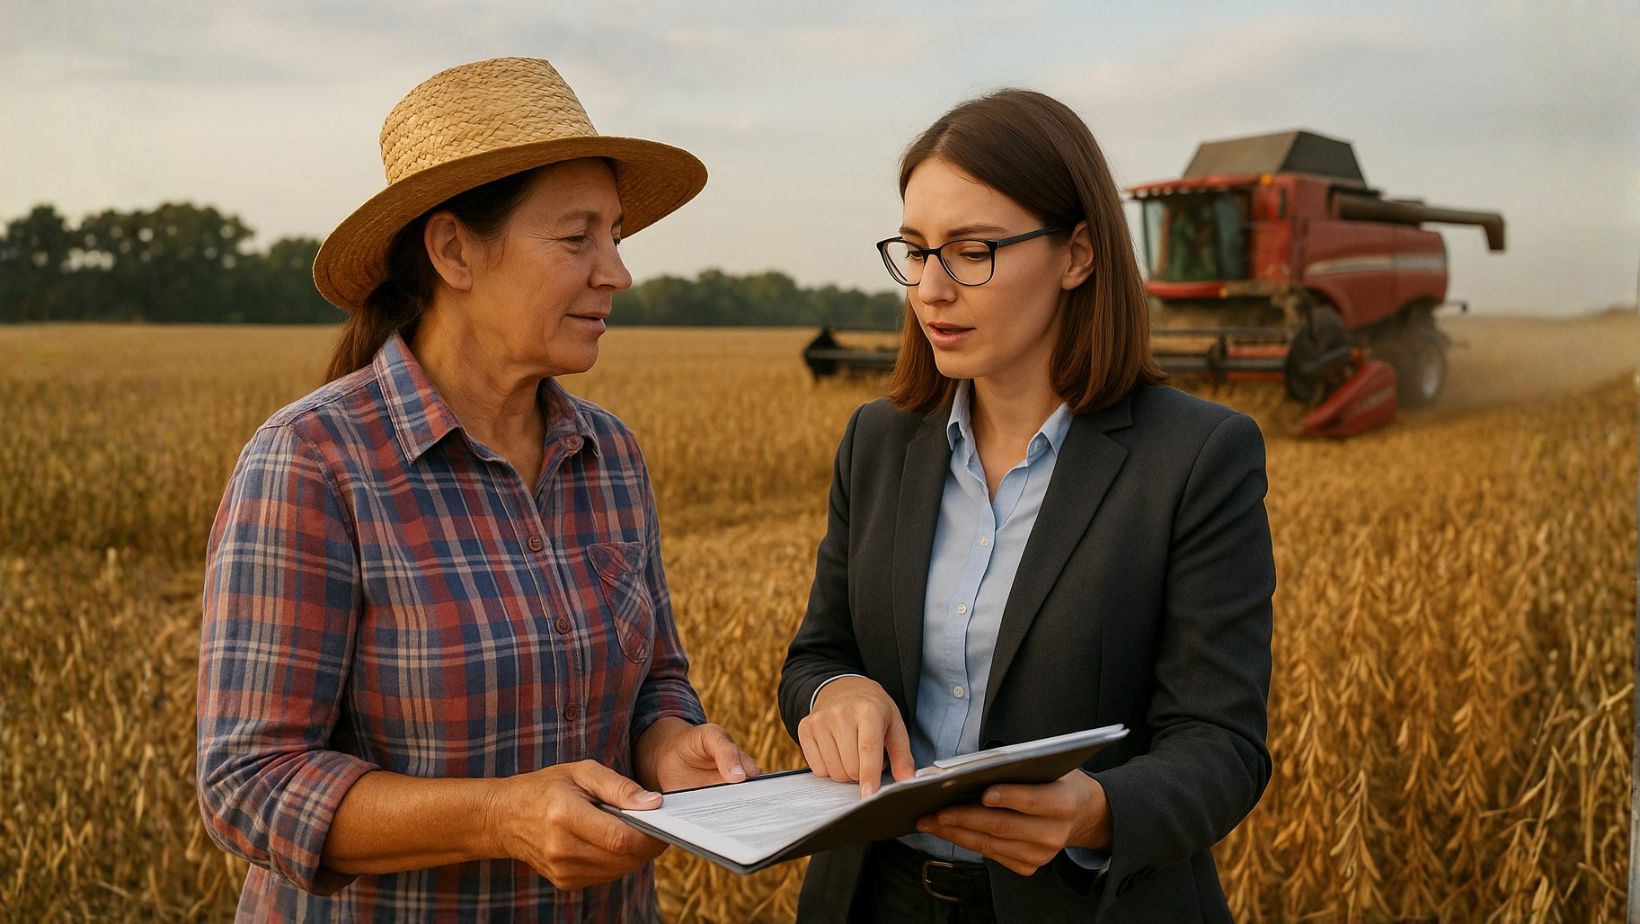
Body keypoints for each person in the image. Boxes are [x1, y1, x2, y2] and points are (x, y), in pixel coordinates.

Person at [197, 57, 758, 922]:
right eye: (578, 239)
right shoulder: (312, 463)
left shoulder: (609, 455)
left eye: (616, 236)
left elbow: (658, 679)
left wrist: (671, 742)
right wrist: (500, 816)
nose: (617, 271)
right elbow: (251, 784)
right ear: (455, 249)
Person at [779, 89, 1275, 922]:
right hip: (875, 899)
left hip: (1087, 904)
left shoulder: (1197, 458)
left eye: (972, 251)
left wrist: (1098, 812)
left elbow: (1222, 744)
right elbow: (817, 654)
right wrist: (836, 696)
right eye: (914, 251)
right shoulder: (878, 442)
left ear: (1078, 254)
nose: (930, 289)